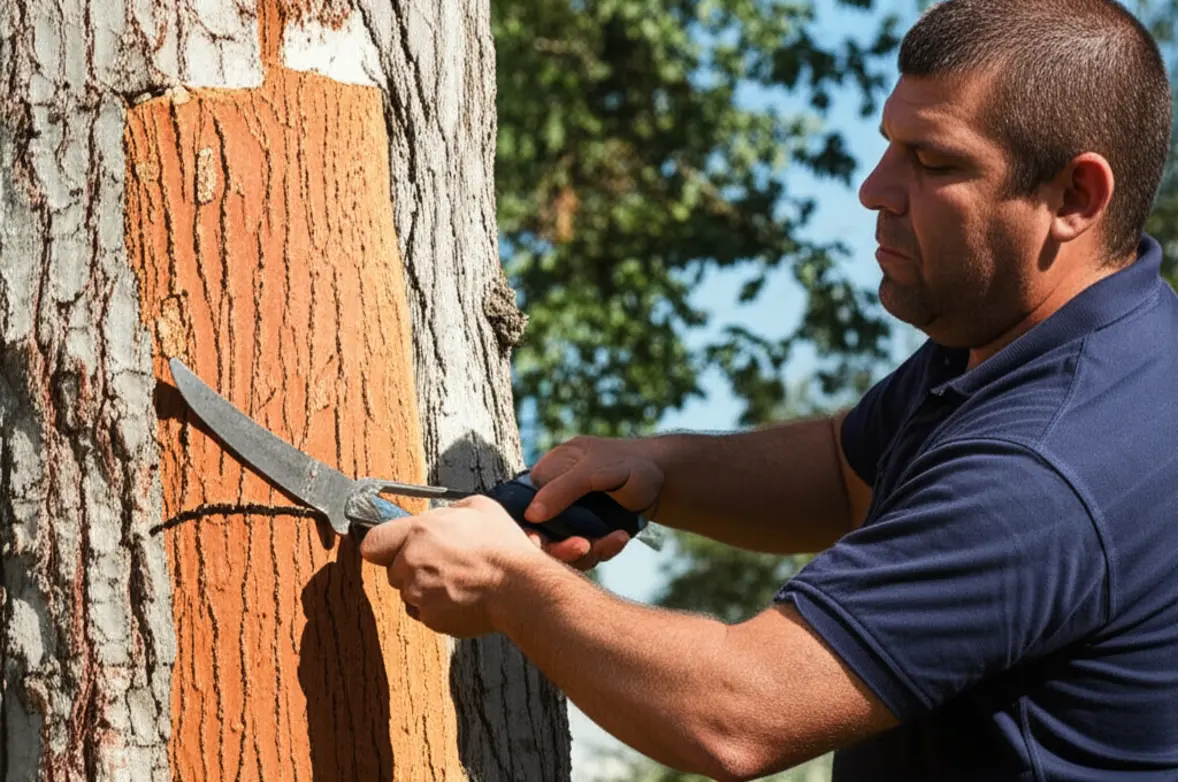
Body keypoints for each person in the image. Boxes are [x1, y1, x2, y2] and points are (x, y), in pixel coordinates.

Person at [359, 0, 1178, 778]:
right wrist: (662, 471)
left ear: (1076, 197)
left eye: (933, 163)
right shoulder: (1050, 334)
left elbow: (739, 714)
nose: (875, 189)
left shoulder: (1045, 464)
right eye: (891, 146)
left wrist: (510, 586)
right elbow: (844, 471)